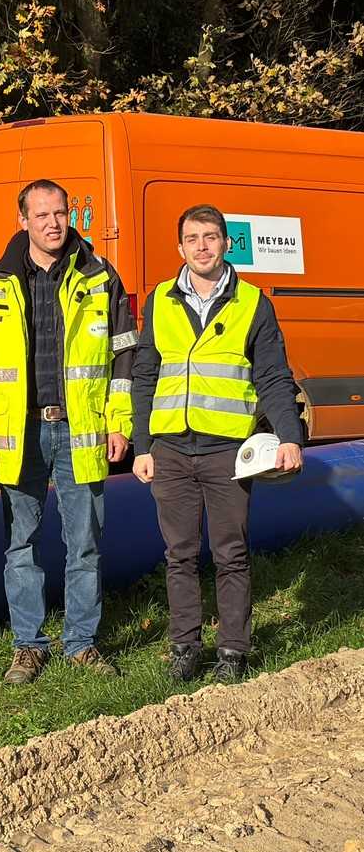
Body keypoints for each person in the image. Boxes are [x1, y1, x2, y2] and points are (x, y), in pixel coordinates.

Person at [0, 179, 136, 684]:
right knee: (21, 544)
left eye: (60, 213)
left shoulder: (100, 276)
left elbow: (125, 356)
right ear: (22, 222)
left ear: (70, 215)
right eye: (40, 215)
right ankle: (28, 645)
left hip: (82, 430)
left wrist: (119, 423)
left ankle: (81, 643)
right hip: (19, 435)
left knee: (84, 544)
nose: (52, 223)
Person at [131, 203, 303, 683]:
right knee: (179, 554)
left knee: (231, 552)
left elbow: (272, 375)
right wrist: (142, 444)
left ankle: (232, 650)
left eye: (211, 237)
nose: (202, 246)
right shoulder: (160, 300)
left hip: (227, 452)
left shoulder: (253, 302)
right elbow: (145, 374)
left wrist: (289, 436)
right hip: (169, 450)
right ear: (179, 247)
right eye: (192, 238)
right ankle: (185, 646)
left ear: (227, 244)